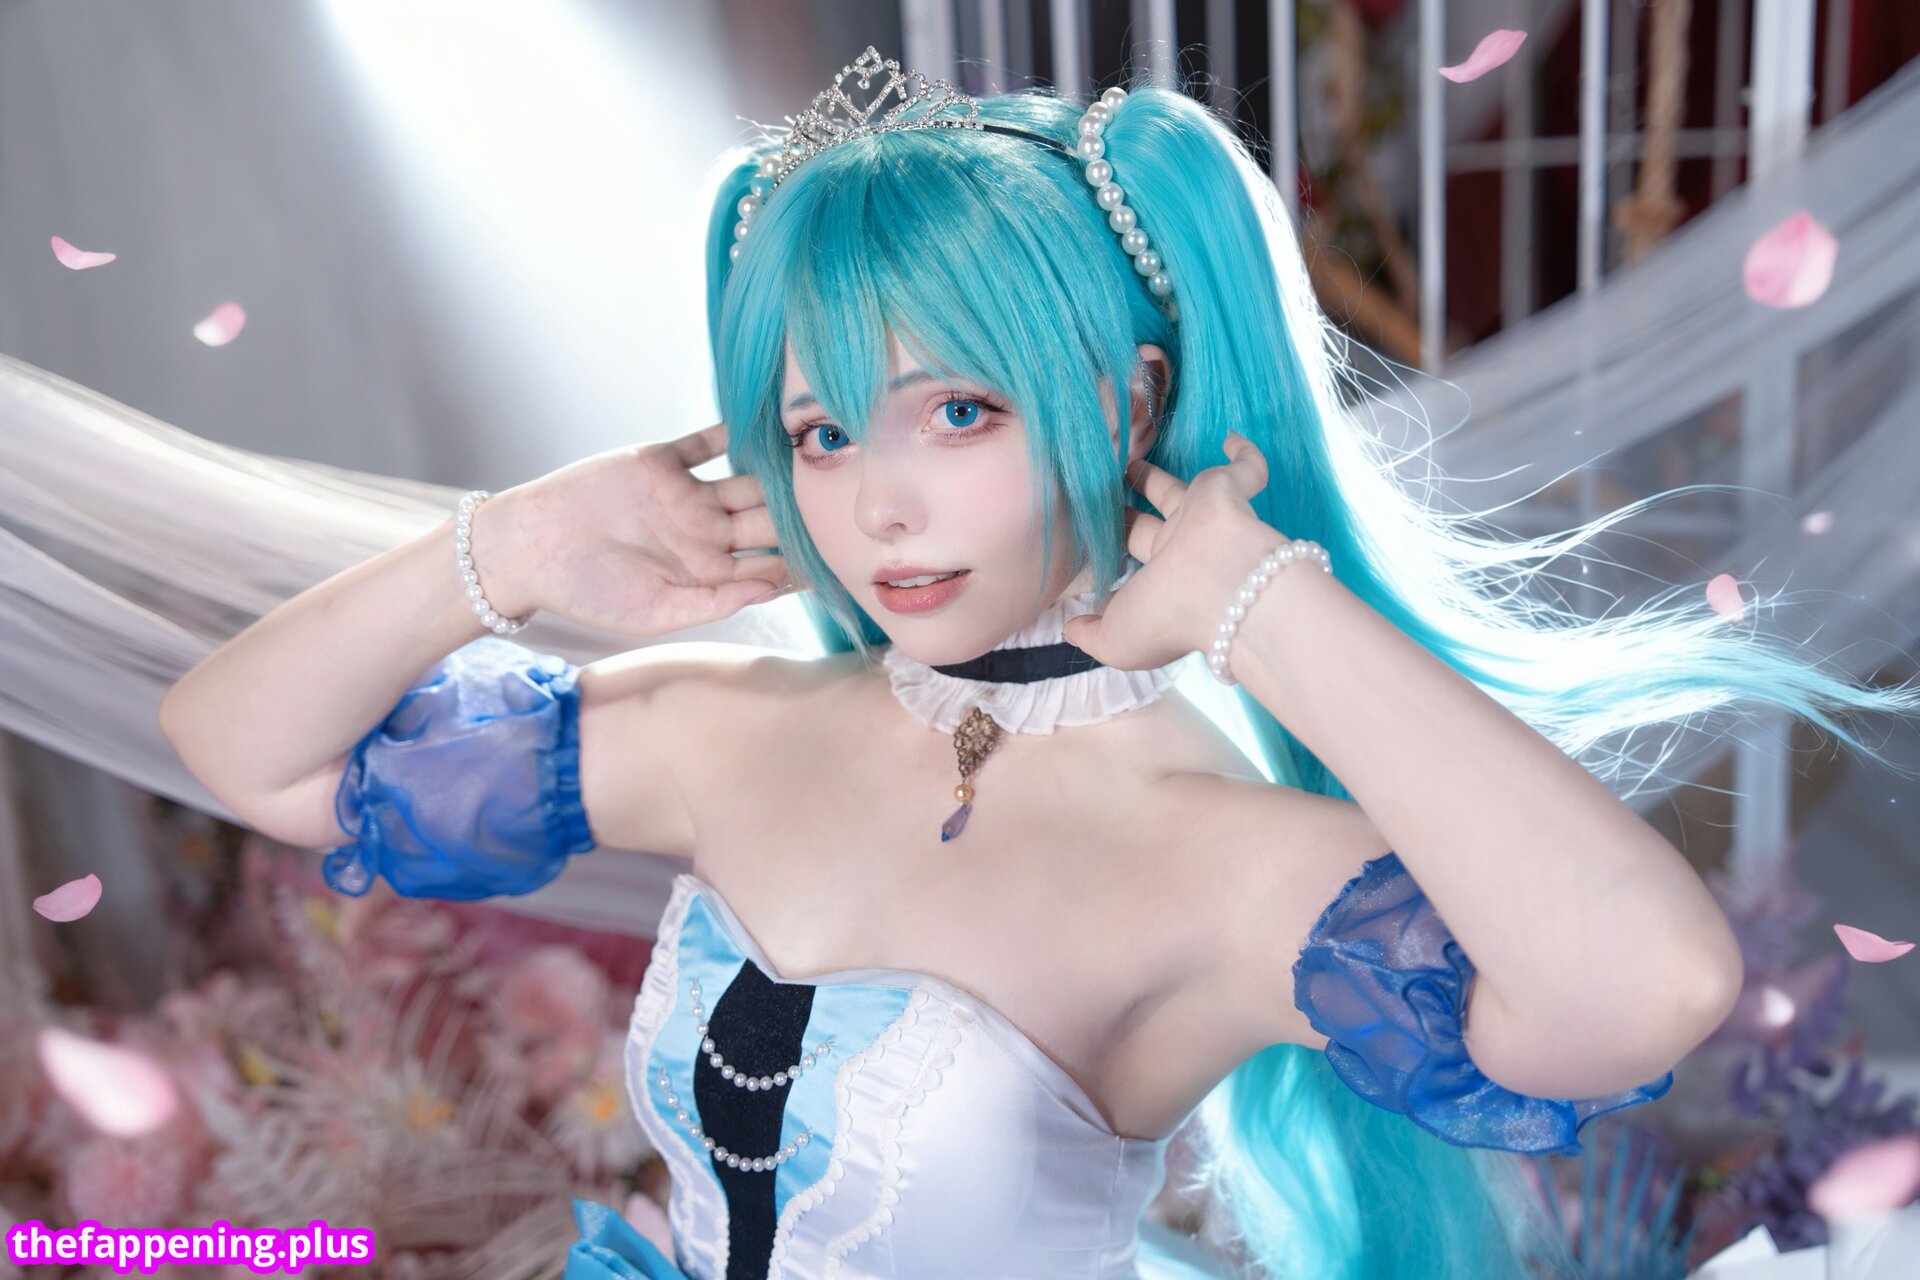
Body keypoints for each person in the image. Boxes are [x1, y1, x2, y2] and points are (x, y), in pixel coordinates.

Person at [157, 49, 1916, 1280]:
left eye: (959, 411)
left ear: (1133, 401)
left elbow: (1646, 986)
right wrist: (520, 548)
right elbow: (247, 750)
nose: (877, 503)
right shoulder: (731, 733)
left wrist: (1267, 608)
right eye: (823, 430)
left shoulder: (1218, 860)